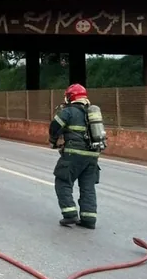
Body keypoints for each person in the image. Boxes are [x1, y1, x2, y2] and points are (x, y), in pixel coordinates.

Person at [49, 83, 102, 229]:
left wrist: (53, 141)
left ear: (70, 97)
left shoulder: (69, 111)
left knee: (62, 181)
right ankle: (89, 219)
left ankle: (70, 214)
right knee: (88, 186)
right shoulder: (91, 113)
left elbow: (54, 126)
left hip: (74, 154)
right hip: (93, 155)